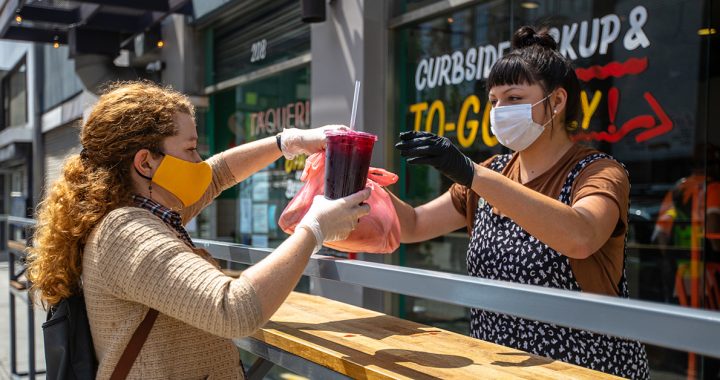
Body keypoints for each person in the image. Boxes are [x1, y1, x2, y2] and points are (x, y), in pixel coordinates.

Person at [26, 81, 370, 379]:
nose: (198, 161)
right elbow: (233, 309)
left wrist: (286, 142)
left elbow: (217, 174)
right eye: (190, 149)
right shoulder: (125, 231)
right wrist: (314, 227)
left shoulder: (137, 208)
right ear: (146, 162)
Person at [391, 27, 649, 378]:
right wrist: (360, 180)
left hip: (585, 368)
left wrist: (471, 175)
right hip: (499, 366)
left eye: (513, 98)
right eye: (494, 101)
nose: (499, 110)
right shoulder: (492, 170)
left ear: (556, 102)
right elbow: (413, 225)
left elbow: (581, 236)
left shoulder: (599, 172)